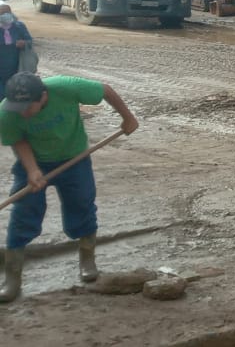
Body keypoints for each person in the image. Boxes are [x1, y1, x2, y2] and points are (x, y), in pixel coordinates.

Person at [1, 73, 140, 304]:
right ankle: (12, 278)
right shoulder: (7, 111)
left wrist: (128, 117)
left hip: (74, 159)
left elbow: (105, 90)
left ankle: (87, 260)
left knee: (82, 204)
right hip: (36, 161)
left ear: (43, 96)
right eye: (19, 108)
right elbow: (18, 140)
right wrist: (33, 170)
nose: (23, 113)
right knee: (23, 212)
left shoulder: (65, 88)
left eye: (28, 107)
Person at [0, 4, 34, 93]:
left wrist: (24, 43)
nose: (5, 15)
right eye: (2, 13)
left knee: (13, 87)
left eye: (7, 13)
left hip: (15, 63)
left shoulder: (19, 26)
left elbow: (29, 41)